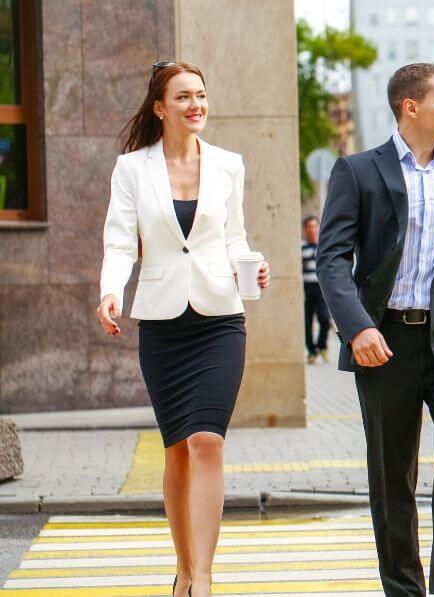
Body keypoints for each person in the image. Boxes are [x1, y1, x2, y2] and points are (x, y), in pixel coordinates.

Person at [315, 63, 434, 597]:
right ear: (410, 107)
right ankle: (403, 589)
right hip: (384, 342)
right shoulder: (358, 171)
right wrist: (357, 329)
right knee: (392, 474)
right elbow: (332, 261)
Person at [95, 61, 270, 597]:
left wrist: (253, 263)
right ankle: (185, 565)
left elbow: (235, 236)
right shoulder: (132, 169)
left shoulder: (228, 165)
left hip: (219, 318)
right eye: (184, 97)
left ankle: (206, 577)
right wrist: (110, 291)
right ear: (159, 107)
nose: (196, 105)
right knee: (176, 450)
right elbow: (121, 241)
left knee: (206, 443)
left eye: (201, 95)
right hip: (163, 322)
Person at [301, 215, 330, 363]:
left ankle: (322, 346)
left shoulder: (325, 246)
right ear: (305, 229)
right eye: (309, 227)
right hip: (307, 290)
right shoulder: (301, 247)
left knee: (325, 319)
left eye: (315, 226)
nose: (312, 229)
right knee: (307, 323)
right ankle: (312, 352)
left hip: (322, 289)